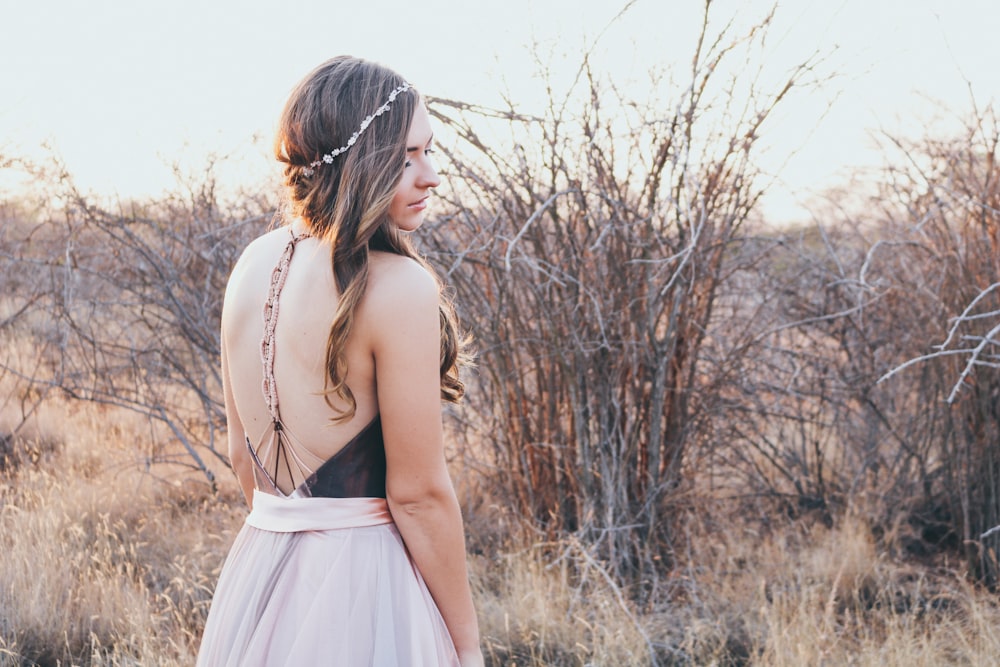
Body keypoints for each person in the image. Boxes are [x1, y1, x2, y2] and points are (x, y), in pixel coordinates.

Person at [197, 56, 483, 667]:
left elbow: (242, 457)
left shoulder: (250, 265)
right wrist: (465, 645)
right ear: (362, 160)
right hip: (365, 583)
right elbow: (419, 496)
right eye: (408, 157)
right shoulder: (401, 287)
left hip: (258, 577)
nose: (431, 176)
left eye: (430, 152)